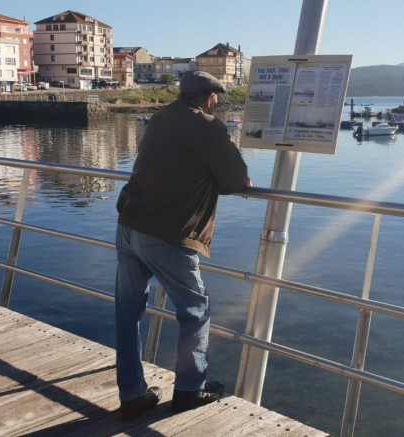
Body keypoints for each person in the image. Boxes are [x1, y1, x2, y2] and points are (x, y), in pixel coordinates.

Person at [113, 70, 250, 420]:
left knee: (128, 314)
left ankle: (131, 395)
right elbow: (236, 180)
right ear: (209, 98)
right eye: (215, 100)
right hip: (168, 232)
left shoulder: (159, 119)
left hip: (130, 224)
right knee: (195, 312)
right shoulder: (207, 127)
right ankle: (190, 390)